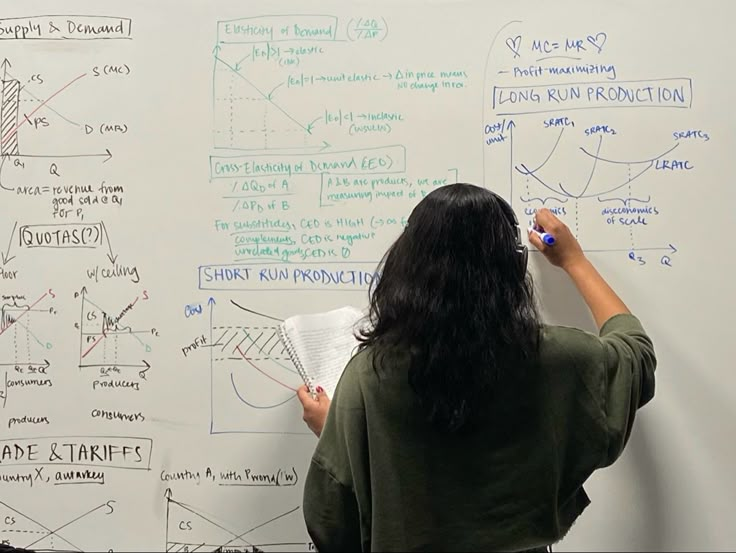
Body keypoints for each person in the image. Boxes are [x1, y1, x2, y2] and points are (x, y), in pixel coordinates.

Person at [296, 183, 656, 552]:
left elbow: (331, 520)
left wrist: (340, 431)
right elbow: (636, 355)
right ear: (514, 267)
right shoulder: (559, 359)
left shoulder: (370, 376)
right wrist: (574, 261)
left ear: (404, 263)